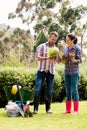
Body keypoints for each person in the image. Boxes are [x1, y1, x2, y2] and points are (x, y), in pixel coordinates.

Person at [33, 31, 61, 114]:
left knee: (49, 91)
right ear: (49, 37)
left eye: (55, 40)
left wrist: (58, 54)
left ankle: (48, 109)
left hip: (51, 72)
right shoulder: (41, 46)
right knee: (38, 90)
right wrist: (47, 58)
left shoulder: (56, 49)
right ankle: (35, 109)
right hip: (41, 71)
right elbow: (37, 57)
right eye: (52, 39)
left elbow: (59, 61)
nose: (53, 41)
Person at [62, 33, 82, 114]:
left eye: (68, 40)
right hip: (67, 72)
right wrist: (63, 60)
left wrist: (74, 60)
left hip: (74, 72)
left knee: (74, 90)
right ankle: (68, 110)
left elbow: (80, 60)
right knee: (68, 91)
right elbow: (64, 60)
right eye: (66, 40)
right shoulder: (65, 49)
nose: (66, 41)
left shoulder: (77, 48)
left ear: (72, 40)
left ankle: (76, 110)